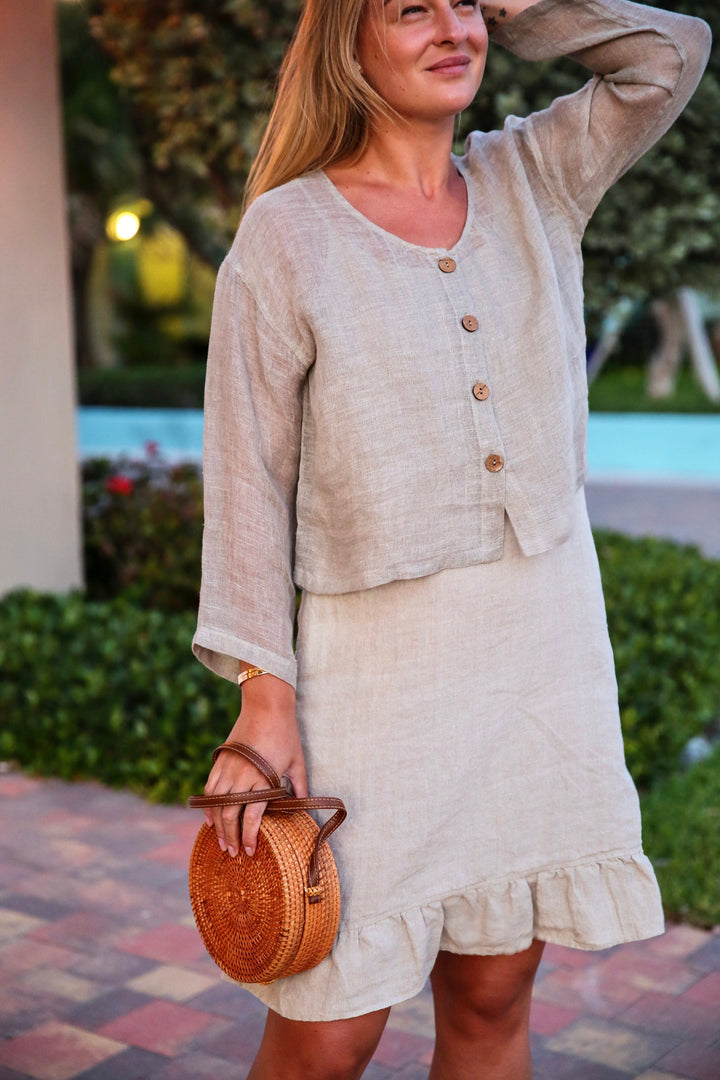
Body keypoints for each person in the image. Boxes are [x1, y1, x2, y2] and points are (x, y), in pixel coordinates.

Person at [192, 1, 711, 1076]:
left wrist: (525, 7)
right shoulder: (286, 236)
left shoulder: (536, 175)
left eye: (463, 1)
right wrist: (264, 698)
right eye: (410, 7)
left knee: (491, 990)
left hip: (539, 645)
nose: (453, 28)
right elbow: (247, 477)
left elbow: (670, 55)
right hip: (375, 671)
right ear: (349, 37)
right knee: (330, 1026)